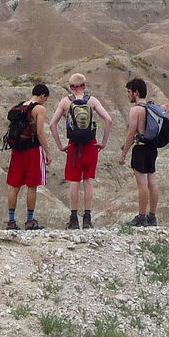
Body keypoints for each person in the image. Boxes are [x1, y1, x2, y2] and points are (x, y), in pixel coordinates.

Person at [48, 72, 113, 229]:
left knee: (74, 182)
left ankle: (73, 219)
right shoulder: (93, 101)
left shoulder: (65, 102)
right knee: (88, 181)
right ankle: (88, 219)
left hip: (74, 147)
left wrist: (60, 145)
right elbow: (109, 120)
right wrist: (103, 143)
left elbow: (52, 125)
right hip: (91, 146)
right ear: (84, 85)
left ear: (71, 87)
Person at [4, 83, 52, 230]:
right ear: (43, 95)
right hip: (32, 150)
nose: (45, 101)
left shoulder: (20, 106)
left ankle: (11, 221)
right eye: (46, 98)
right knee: (32, 186)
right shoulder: (39, 109)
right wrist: (47, 152)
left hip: (17, 150)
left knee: (14, 186)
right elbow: (39, 132)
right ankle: (30, 221)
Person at [118, 77, 159, 226]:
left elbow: (131, 133)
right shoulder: (152, 108)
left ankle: (141, 217)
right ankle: (152, 216)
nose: (128, 95)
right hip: (152, 148)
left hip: (140, 148)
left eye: (129, 92)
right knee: (152, 183)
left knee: (142, 184)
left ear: (135, 93)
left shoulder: (136, 110)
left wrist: (124, 154)